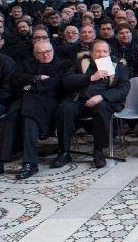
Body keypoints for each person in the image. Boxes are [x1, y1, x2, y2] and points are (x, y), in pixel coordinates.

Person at [0, 40, 70, 180]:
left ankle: (27, 162)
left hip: (48, 103)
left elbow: (55, 85)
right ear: (34, 54)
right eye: (41, 53)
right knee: (12, 116)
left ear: (53, 50)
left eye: (48, 51)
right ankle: (1, 162)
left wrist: (30, 86)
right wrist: (37, 78)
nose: (45, 55)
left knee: (27, 116)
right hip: (26, 101)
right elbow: (16, 79)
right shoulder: (27, 64)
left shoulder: (63, 64)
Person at [53, 39, 130, 169]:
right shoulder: (82, 63)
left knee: (101, 109)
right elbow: (66, 81)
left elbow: (124, 88)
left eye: (105, 51)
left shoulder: (119, 66)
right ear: (91, 53)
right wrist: (90, 78)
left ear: (109, 53)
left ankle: (98, 151)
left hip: (104, 101)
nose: (101, 54)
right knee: (65, 109)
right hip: (81, 101)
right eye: (98, 51)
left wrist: (102, 97)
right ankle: (64, 152)